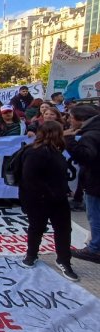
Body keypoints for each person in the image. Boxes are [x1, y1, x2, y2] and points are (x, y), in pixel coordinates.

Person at [19, 121, 78, 281]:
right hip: (40, 199)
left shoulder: (55, 150)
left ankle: (64, 260)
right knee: (37, 227)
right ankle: (31, 255)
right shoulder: (35, 152)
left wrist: (64, 189)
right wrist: (50, 193)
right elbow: (29, 178)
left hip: (57, 198)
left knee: (63, 230)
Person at [65, 105, 100, 263]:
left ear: (81, 119)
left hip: (96, 182)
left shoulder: (91, 135)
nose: (69, 120)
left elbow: (86, 157)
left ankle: (95, 250)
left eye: (71, 117)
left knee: (95, 216)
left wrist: (69, 140)